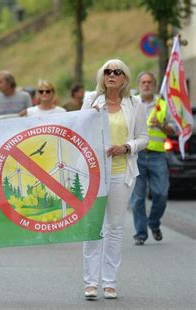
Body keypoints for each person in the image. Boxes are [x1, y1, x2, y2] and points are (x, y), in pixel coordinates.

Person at [81, 59, 148, 300]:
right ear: (102, 76)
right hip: (95, 173)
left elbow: (143, 138)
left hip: (122, 172)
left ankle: (109, 282)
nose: (111, 74)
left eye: (116, 71)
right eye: (107, 71)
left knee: (115, 227)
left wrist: (127, 147)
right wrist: (91, 116)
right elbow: (79, 130)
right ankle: (90, 282)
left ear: (124, 78)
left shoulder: (134, 103)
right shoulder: (91, 100)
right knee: (93, 227)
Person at [129, 72, 176, 246]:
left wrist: (161, 125)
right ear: (139, 84)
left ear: (155, 85)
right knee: (138, 198)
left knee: (161, 194)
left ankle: (154, 223)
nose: (146, 85)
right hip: (137, 155)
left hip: (157, 155)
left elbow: (174, 130)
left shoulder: (163, 104)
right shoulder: (131, 103)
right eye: (143, 82)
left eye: (150, 82)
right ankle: (140, 234)